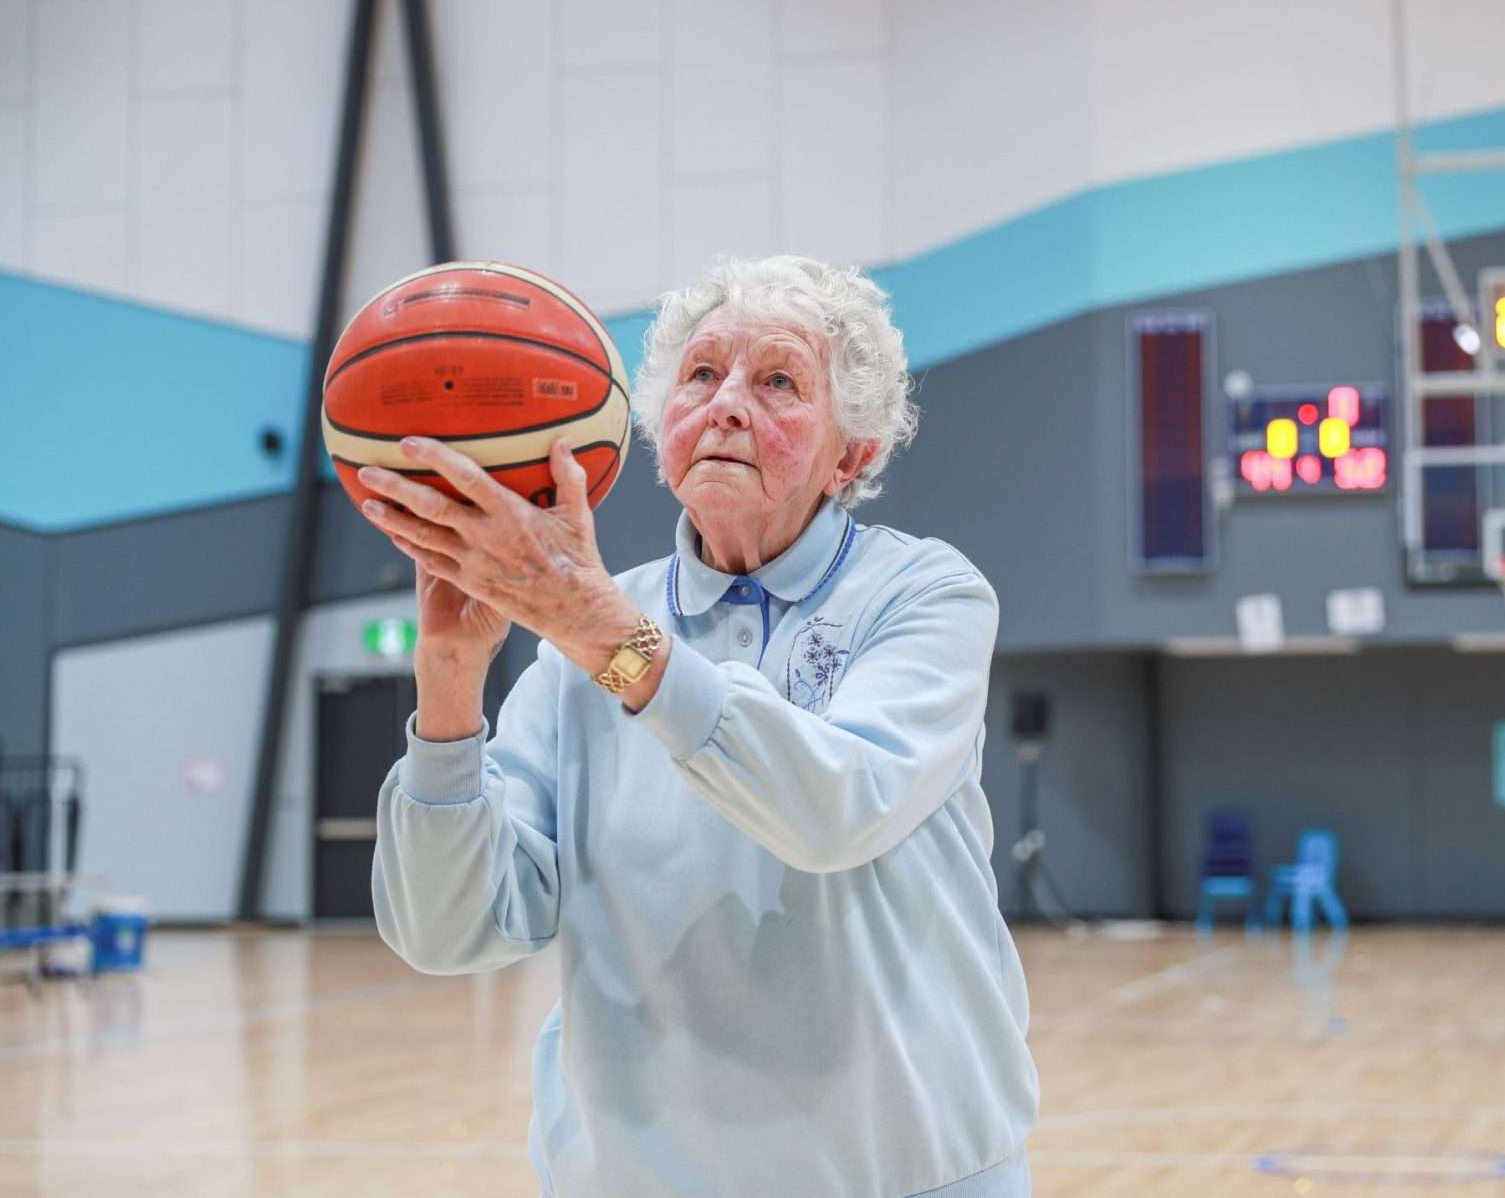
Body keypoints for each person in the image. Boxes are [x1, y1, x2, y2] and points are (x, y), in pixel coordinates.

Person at [361, 256, 1038, 1197]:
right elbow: (447, 932)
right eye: (700, 375)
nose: (725, 405)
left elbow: (836, 808)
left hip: (905, 1175)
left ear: (855, 454)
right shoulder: (576, 643)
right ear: (657, 427)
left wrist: (599, 632)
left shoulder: (926, 594)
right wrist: (449, 678)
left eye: (778, 381)